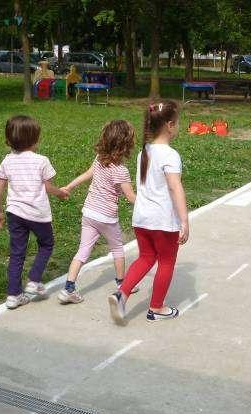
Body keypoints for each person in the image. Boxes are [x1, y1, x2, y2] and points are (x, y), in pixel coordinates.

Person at [108, 100, 189, 326]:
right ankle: (156, 307)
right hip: (162, 220)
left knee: (146, 257)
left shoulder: (144, 151)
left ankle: (121, 294)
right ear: (171, 125)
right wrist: (184, 220)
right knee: (166, 261)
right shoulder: (170, 155)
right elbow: (175, 187)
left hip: (141, 218)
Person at [57, 120, 137, 304]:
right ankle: (122, 284)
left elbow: (87, 174)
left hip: (89, 213)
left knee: (83, 251)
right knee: (117, 249)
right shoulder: (121, 171)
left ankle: (69, 288)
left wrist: (69, 186)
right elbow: (131, 197)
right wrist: (152, 204)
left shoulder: (99, 159)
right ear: (125, 145)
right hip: (107, 218)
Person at [0, 115, 68, 309]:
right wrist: (60, 193)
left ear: (8, 139)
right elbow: (49, 188)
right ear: (35, 140)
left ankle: (13, 295)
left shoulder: (7, 161)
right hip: (37, 214)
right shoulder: (41, 161)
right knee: (47, 244)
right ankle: (34, 280)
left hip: (14, 213)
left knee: (17, 253)